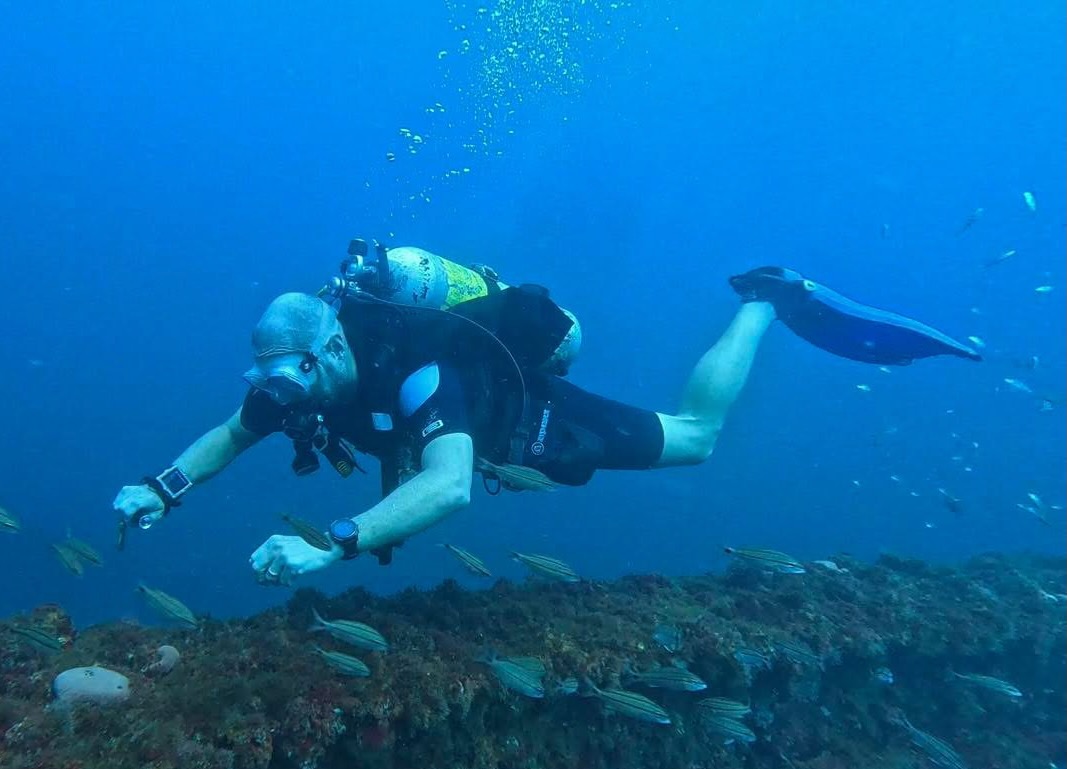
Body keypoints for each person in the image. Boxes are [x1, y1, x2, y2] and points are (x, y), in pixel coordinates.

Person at [112, 250, 979, 586]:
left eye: (293, 381)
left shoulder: (417, 372)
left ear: (330, 350)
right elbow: (231, 432)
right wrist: (163, 487)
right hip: (435, 439)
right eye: (271, 384)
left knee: (695, 438)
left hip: (516, 420)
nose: (283, 400)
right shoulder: (291, 382)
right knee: (393, 492)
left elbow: (451, 487)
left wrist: (327, 542)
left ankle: (763, 301)